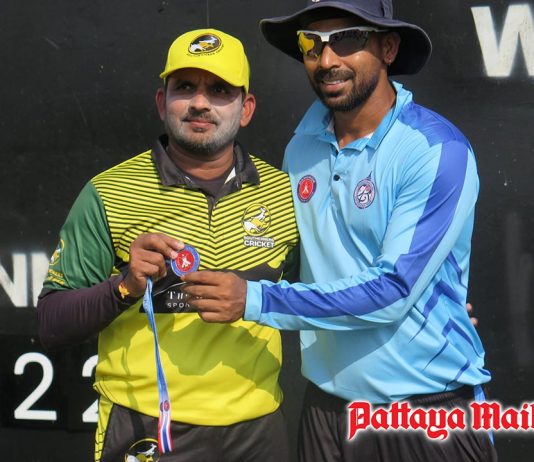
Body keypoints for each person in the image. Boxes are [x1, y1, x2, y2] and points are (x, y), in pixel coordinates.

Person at [181, 1, 497, 460]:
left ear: (389, 47)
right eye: (311, 43)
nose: (326, 60)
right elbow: (298, 260)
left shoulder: (436, 148)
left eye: (347, 39)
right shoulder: (302, 146)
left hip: (427, 410)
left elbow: (393, 291)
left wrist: (254, 300)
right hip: (327, 411)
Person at [37, 28, 298, 462]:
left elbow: (318, 301)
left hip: (259, 431)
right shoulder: (110, 192)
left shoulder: (285, 194)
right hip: (146, 428)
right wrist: (125, 286)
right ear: (162, 102)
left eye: (219, 90)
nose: (200, 103)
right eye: (185, 87)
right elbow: (51, 323)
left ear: (246, 108)